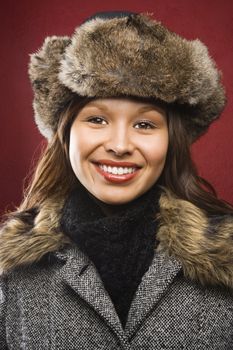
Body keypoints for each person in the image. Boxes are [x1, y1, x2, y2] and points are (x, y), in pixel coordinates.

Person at [0, 11, 233, 349]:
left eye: (145, 125)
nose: (120, 146)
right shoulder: (12, 272)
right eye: (96, 119)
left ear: (172, 141)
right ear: (65, 134)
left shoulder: (225, 260)